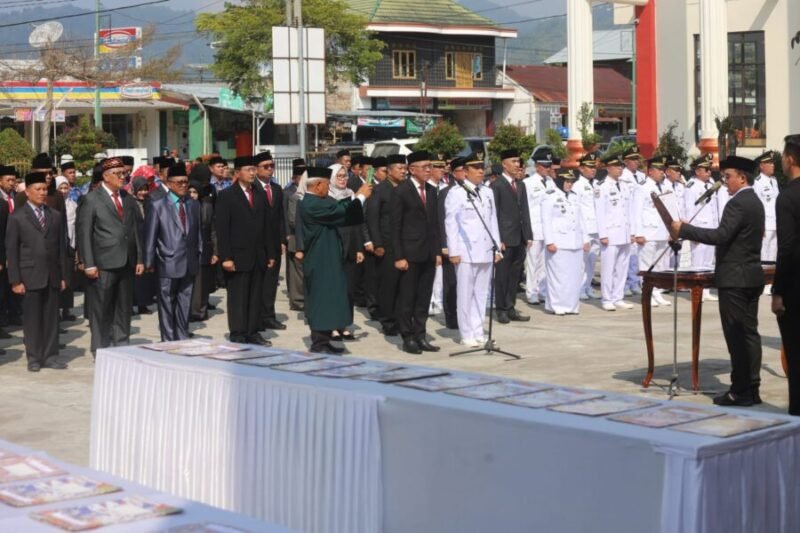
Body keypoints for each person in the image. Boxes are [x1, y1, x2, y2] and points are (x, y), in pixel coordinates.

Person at [671, 156, 765, 407]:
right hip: (750, 275)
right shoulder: (754, 201)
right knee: (749, 335)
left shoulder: (738, 203)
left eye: (728, 177)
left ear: (742, 177)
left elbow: (721, 236)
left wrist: (685, 230)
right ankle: (751, 388)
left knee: (737, 336)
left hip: (735, 278)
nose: (725, 183)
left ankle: (740, 390)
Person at [298, 167, 372, 353]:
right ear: (317, 185)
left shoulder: (319, 201)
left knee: (329, 299)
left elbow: (340, 211)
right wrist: (360, 196)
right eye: (326, 184)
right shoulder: (311, 203)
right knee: (321, 299)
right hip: (320, 258)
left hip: (328, 256)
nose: (328, 188)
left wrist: (356, 198)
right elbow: (340, 211)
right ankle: (318, 343)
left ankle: (324, 340)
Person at [77, 158, 144, 358]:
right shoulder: (92, 199)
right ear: (106, 176)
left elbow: (135, 230)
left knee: (124, 308)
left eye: (124, 173)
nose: (123, 177)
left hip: (127, 261)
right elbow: (84, 233)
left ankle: (122, 346)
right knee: (102, 309)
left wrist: (139, 258)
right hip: (103, 262)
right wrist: (88, 263)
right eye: (118, 174)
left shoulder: (128, 198)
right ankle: (100, 349)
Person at [5, 171, 69, 371]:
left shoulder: (55, 216)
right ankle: (34, 356)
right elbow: (12, 250)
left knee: (51, 318)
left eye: (44, 189)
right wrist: (15, 280)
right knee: (32, 319)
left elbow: (62, 248)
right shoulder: (17, 217)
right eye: (38, 189)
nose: (42, 193)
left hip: (52, 275)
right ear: (28, 192)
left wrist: (63, 276)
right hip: (29, 275)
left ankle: (50, 355)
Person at [215, 156, 274, 346]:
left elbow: (267, 225)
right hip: (237, 255)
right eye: (248, 170)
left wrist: (270, 253)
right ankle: (238, 332)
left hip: (258, 255)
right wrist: (226, 257)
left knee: (256, 295)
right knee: (238, 297)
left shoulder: (259, 193)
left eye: (253, 170)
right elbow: (222, 229)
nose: (252, 173)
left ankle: (253, 331)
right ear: (238, 172)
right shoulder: (226, 196)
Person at [445, 153, 501, 346]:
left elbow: (492, 221)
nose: (480, 171)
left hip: (485, 249)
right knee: (465, 294)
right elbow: (451, 223)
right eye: (475, 168)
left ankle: (478, 329)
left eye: (481, 167)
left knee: (481, 293)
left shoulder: (487, 192)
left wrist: (497, 247)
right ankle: (466, 333)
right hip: (466, 251)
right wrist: (453, 251)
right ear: (465, 172)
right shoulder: (456, 193)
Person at [144, 163, 202, 341]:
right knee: (167, 303)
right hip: (167, 261)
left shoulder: (193, 204)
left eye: (185, 182)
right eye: (178, 183)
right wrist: (148, 262)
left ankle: (182, 336)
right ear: (168, 184)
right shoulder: (158, 205)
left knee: (185, 302)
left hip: (189, 262)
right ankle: (168, 340)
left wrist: (199, 253)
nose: (183, 185)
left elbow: (197, 232)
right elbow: (151, 236)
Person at [391, 150, 442, 354]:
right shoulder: (401, 191)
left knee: (423, 297)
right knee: (407, 297)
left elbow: (435, 224)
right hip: (409, 254)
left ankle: (420, 334)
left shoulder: (431, 190)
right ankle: (407, 336)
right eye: (425, 167)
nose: (429, 170)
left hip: (428, 253)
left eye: (430, 166)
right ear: (412, 170)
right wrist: (399, 256)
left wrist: (437, 251)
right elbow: (395, 227)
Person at [772, 135, 800, 415]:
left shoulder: (788, 196)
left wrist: (777, 291)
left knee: (795, 354)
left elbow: (788, 248)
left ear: (790, 159)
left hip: (795, 288)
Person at [540, 168, 590, 315]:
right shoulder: (550, 196)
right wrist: (549, 241)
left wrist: (585, 239)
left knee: (574, 276)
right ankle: (557, 305)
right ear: (560, 180)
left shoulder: (574, 196)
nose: (570, 184)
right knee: (559, 276)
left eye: (571, 181)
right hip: (558, 242)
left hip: (575, 241)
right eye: (567, 181)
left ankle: (572, 305)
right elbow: (546, 220)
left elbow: (581, 219)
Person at [491, 149, 532, 323]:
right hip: (504, 238)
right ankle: (501, 309)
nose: (517, 165)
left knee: (515, 275)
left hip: (519, 236)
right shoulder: (497, 185)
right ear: (504, 164)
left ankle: (511, 306)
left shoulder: (521, 184)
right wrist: (497, 239)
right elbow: (494, 213)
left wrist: (528, 235)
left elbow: (525, 211)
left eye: (518, 161)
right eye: (514, 161)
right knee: (502, 275)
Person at [366, 154, 405, 336]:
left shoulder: (405, 188)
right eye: (399, 168)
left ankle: (400, 318)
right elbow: (372, 218)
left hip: (404, 243)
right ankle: (388, 321)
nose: (403, 171)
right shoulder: (380, 190)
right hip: (386, 244)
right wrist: (377, 243)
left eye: (405, 168)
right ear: (389, 171)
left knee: (402, 285)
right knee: (388, 284)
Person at [631, 156, 672, 307]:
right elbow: (636, 211)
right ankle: (647, 294)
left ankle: (657, 293)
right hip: (648, 232)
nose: (663, 173)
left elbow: (670, 210)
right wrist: (638, 233)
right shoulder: (642, 187)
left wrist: (671, 229)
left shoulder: (665, 186)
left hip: (662, 231)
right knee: (647, 265)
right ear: (650, 171)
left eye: (663, 170)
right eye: (659, 170)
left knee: (661, 265)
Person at [253, 151, 286, 331]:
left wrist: (282, 239)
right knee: (258, 282)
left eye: (272, 166)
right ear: (256, 169)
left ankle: (269, 315)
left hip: (274, 243)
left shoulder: (276, 189)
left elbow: (280, 217)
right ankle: (257, 317)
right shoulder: (252, 188)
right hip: (258, 244)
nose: (270, 170)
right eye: (266, 167)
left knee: (271, 282)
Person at [596, 154, 634, 311]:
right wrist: (602, 234)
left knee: (622, 266)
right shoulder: (602, 186)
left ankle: (618, 296)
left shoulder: (624, 185)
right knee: (608, 267)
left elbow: (629, 211)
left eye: (621, 166)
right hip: (610, 233)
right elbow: (600, 212)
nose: (620, 169)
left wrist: (632, 232)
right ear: (608, 168)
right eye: (617, 166)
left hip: (624, 233)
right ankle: (607, 298)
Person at [683, 153, 719, 301]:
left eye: (709, 169)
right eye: (706, 169)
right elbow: (688, 210)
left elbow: (714, 208)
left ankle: (705, 291)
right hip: (698, 228)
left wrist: (717, 226)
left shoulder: (711, 185)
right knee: (698, 260)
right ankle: (696, 290)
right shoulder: (691, 187)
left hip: (710, 227)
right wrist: (692, 232)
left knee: (708, 260)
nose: (709, 172)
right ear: (697, 171)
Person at [437, 157, 466, 330]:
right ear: (455, 173)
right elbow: (442, 219)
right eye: (463, 169)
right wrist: (444, 244)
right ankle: (452, 316)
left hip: (469, 246)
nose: (466, 172)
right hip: (452, 244)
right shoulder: (447, 192)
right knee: (452, 283)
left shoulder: (476, 190)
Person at [522, 147, 553, 306]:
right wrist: (527, 232)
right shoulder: (527, 183)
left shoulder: (550, 182)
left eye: (550, 166)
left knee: (544, 263)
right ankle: (531, 292)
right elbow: (525, 209)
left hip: (548, 229)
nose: (548, 169)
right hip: (534, 228)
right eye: (545, 166)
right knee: (533, 262)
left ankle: (541, 290)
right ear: (537, 166)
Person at [189, 177, 218, 322]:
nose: (192, 195)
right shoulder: (185, 206)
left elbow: (213, 230)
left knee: (202, 282)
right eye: (190, 192)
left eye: (195, 192)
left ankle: (200, 311)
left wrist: (215, 251)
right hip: (189, 249)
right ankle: (193, 310)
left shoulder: (206, 206)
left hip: (205, 247)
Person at [363, 156, 388, 320]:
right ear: (376, 172)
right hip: (373, 241)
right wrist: (368, 240)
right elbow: (364, 217)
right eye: (384, 171)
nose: (386, 174)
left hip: (387, 241)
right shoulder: (370, 189)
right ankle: (373, 308)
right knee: (373, 278)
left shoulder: (392, 188)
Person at [574, 153, 600, 300]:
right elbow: (577, 211)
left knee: (592, 261)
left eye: (594, 167)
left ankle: (588, 286)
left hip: (596, 227)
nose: (592, 170)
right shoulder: (578, 186)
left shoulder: (597, 184)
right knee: (582, 262)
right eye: (589, 167)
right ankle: (580, 288)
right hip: (585, 228)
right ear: (581, 168)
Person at [753, 151, 779, 295]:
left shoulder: (774, 181)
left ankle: (770, 283)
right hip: (765, 224)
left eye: (773, 163)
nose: (772, 166)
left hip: (775, 222)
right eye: (769, 163)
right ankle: (762, 282)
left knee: (773, 253)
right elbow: (758, 205)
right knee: (764, 254)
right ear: (762, 166)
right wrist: (760, 224)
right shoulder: (757, 182)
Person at [130, 177, 156, 315]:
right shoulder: (130, 203)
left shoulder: (150, 202)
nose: (143, 192)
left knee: (146, 276)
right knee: (134, 276)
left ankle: (143, 304)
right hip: (134, 243)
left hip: (148, 241)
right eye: (140, 189)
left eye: (145, 189)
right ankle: (131, 305)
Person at [56, 176, 78, 321]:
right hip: (58, 248)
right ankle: (56, 311)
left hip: (71, 246)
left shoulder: (73, 205)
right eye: (61, 188)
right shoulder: (53, 205)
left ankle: (66, 309)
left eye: (66, 188)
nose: (64, 191)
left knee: (68, 279)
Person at [285, 159, 306, 311]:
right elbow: (290, 220)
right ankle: (298, 300)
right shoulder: (291, 195)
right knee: (296, 275)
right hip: (294, 238)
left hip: (307, 238)